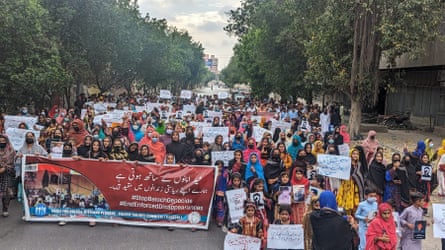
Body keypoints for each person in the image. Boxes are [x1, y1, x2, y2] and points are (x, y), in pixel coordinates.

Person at [0, 135, 16, 217]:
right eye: (0, 140)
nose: (2, 142)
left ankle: (5, 209)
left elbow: (12, 162)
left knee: (6, 193)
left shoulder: (11, 150)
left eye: (3, 140)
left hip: (7, 173)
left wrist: (4, 168)